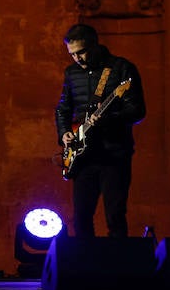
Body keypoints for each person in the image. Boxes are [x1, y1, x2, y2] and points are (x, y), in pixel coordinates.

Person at [54, 24, 146, 237]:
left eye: (82, 52)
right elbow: (63, 108)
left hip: (114, 154)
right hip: (83, 157)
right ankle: (87, 266)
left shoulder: (121, 69)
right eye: (73, 54)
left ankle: (117, 266)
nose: (78, 58)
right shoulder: (71, 72)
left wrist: (108, 119)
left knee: (114, 215)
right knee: (81, 218)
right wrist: (65, 133)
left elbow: (137, 110)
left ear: (94, 44)